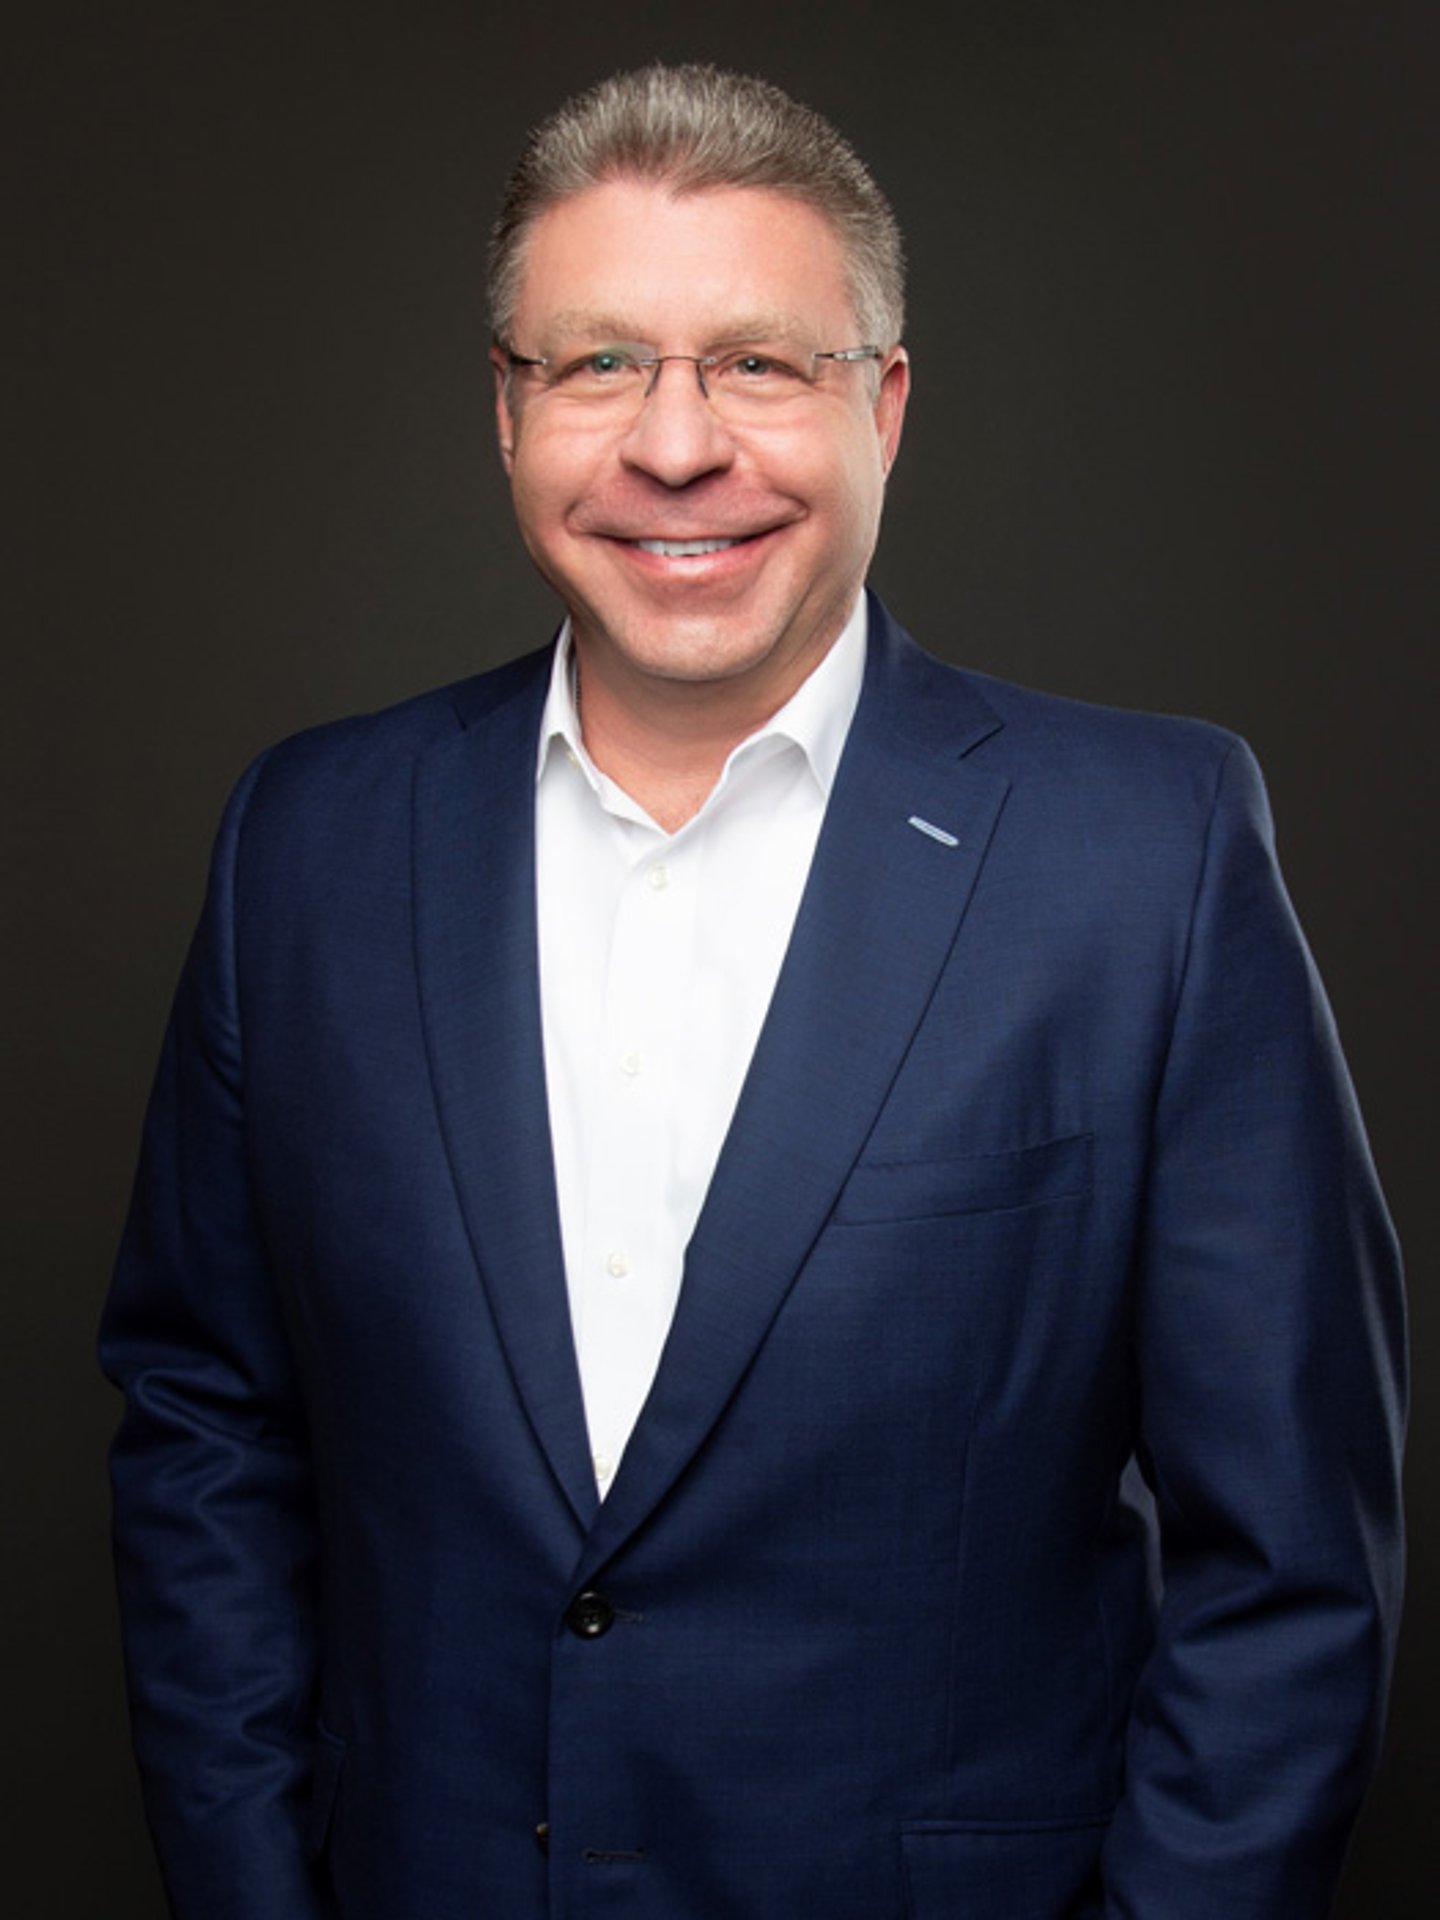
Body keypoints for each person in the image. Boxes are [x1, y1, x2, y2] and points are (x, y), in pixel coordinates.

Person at [101, 62, 1405, 1920]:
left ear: (885, 404)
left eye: (760, 366)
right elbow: (206, 1425)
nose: (678, 444)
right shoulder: (306, 841)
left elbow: (1290, 1567)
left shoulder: (1155, 854)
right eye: (601, 363)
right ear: (507, 411)